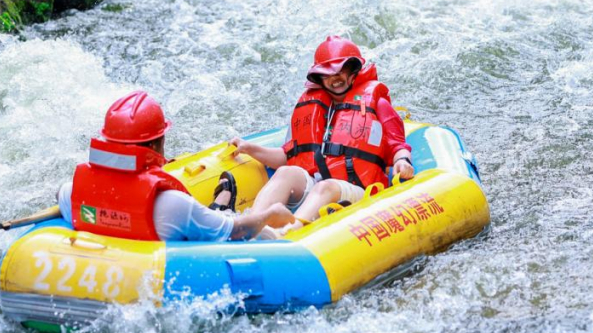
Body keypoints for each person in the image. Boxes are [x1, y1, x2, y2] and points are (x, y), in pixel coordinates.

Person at [57, 91, 296, 242]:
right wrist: (268, 215)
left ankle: (221, 202)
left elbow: (60, 196)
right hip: (161, 270)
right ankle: (220, 205)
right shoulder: (172, 204)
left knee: (210, 216)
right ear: (156, 143)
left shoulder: (71, 192)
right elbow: (236, 232)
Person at [234, 36, 415, 223]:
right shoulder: (311, 107)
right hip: (317, 184)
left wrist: (402, 160)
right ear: (319, 78)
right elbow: (287, 156)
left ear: (353, 71)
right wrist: (250, 149)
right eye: (326, 74)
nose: (334, 79)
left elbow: (398, 145)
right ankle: (252, 223)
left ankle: (290, 231)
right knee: (286, 173)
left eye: (340, 71)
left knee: (326, 187)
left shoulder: (379, 104)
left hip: (359, 189)